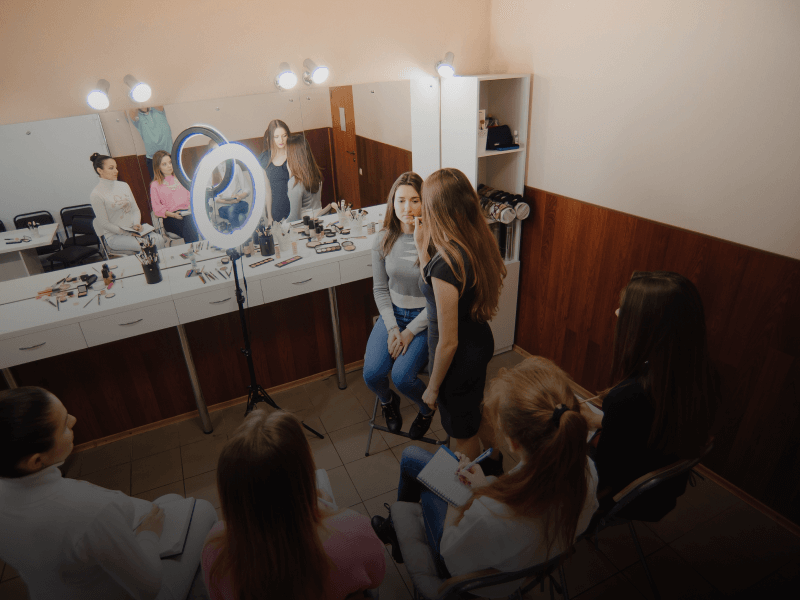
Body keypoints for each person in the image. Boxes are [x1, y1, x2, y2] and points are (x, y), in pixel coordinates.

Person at [372, 357, 599, 598]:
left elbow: (449, 554)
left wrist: (459, 499)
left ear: (512, 443)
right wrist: (485, 485)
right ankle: (393, 529)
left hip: (471, 579)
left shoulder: (490, 515)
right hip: (523, 559)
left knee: (414, 461)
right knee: (414, 459)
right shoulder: (587, 472)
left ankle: (394, 529)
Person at [0, 386, 218, 600]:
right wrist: (148, 534)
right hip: (133, 592)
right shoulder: (87, 509)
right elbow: (148, 588)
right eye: (64, 425)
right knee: (202, 509)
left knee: (171, 501)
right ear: (36, 461)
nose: (74, 420)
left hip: (57, 588)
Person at [202, 409, 385, 600]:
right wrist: (325, 507)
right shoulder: (352, 530)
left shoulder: (215, 552)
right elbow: (376, 577)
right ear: (305, 473)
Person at [582, 271, 718, 521]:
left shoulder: (628, 398)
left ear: (645, 328)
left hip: (620, 495)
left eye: (622, 312)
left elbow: (607, 473)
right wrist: (599, 421)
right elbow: (645, 427)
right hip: (664, 490)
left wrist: (573, 431)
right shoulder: (702, 377)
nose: (616, 315)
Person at [413, 168, 506, 469]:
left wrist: (433, 387)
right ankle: (494, 463)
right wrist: (421, 248)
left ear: (435, 209)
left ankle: (469, 494)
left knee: (461, 430)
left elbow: (448, 342)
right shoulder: (476, 240)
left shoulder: (447, 264)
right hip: (479, 341)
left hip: (458, 357)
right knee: (475, 411)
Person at [363, 172, 433, 439]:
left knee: (403, 377)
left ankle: (426, 410)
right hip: (393, 315)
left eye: (415, 200)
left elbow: (437, 299)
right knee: (371, 374)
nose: (407, 208)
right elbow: (380, 289)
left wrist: (409, 332)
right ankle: (387, 401)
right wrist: (393, 328)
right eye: (401, 200)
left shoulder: (433, 240)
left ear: (424, 202)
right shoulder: (382, 239)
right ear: (392, 202)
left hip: (424, 320)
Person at [89, 153, 165, 252]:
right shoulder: (96, 194)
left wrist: (136, 224)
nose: (116, 171)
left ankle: (158, 266)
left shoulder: (124, 186)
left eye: (116, 167)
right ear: (100, 170)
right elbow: (104, 224)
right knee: (146, 245)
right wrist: (127, 233)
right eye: (111, 168)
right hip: (115, 236)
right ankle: (149, 266)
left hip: (134, 230)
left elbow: (135, 209)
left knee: (159, 239)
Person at [150, 150, 200, 243]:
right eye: (164, 164)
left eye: (170, 162)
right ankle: (196, 250)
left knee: (190, 222)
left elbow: (191, 198)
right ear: (158, 167)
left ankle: (194, 251)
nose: (169, 166)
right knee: (189, 226)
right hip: (171, 218)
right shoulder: (155, 185)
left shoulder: (181, 178)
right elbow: (157, 209)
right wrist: (173, 215)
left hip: (187, 214)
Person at [206, 141, 252, 228]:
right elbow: (212, 197)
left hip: (240, 204)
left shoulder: (235, 167)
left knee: (233, 211)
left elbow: (247, 190)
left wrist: (240, 196)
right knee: (240, 217)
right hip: (223, 208)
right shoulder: (210, 172)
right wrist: (230, 201)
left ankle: (235, 239)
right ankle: (241, 239)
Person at [258, 119, 291, 224]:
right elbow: (267, 190)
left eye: (284, 136)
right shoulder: (264, 158)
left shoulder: (293, 155)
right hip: (275, 211)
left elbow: (297, 185)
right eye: (276, 137)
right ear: (269, 139)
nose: (281, 140)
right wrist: (270, 217)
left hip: (293, 208)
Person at [127, 106, 173, 181]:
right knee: (158, 185)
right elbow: (131, 109)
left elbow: (157, 98)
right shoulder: (137, 116)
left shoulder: (157, 109)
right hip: (152, 159)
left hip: (169, 155)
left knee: (175, 182)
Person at [286, 133, 323, 221]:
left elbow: (295, 217)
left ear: (293, 157)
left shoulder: (295, 182)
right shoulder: (316, 173)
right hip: (319, 219)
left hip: (305, 225)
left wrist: (281, 225)